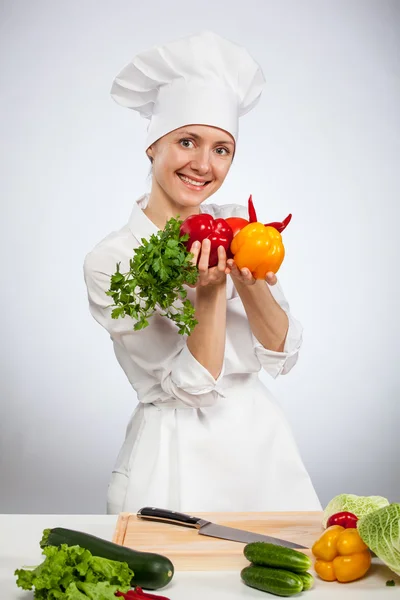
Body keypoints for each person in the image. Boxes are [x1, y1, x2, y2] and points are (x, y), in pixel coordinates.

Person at [84, 31, 321, 514]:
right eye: (187, 141)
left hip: (262, 450)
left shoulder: (239, 227)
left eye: (222, 149)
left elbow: (281, 353)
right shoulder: (112, 260)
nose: (202, 164)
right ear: (153, 147)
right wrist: (210, 296)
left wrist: (249, 281)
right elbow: (190, 385)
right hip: (174, 454)